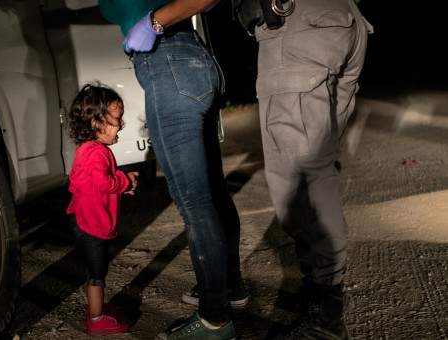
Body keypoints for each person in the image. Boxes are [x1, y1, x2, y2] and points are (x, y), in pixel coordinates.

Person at [98, 1, 246, 339]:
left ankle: (214, 320)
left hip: (167, 63)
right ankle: (229, 288)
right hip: (192, 60)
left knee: (193, 199)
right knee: (210, 191)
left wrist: (152, 23)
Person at [240, 0, 373, 338]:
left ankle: (326, 316)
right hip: (340, 19)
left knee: (299, 176)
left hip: (301, 22)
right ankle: (322, 291)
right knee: (317, 165)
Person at [65, 82, 139, 335]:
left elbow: (94, 181)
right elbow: (100, 182)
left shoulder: (90, 150)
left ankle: (97, 309)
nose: (121, 124)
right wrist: (124, 180)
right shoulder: (96, 153)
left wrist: (121, 183)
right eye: (117, 119)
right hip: (90, 223)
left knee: (96, 267)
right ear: (97, 124)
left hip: (84, 218)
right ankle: (96, 319)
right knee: (97, 270)